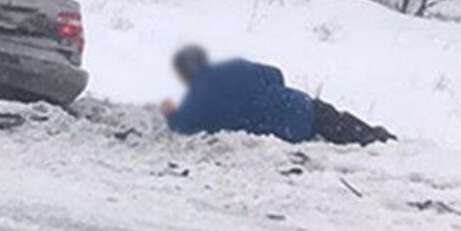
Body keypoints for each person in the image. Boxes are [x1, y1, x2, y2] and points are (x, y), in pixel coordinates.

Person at [162, 45, 395, 146]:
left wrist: (169, 112)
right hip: (299, 107)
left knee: (316, 124)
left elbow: (182, 125)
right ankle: (374, 138)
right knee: (333, 119)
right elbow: (275, 74)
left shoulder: (197, 102)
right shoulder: (234, 67)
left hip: (282, 134)